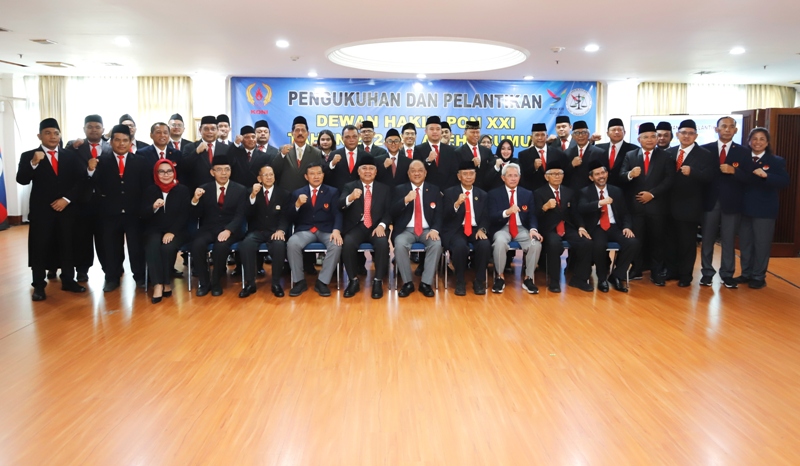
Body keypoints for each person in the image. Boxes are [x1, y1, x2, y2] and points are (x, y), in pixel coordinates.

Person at [16, 118, 87, 301]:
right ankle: (39, 286)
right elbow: (22, 179)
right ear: (39, 136)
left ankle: (68, 280)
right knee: (39, 247)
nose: (53, 137)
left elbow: (81, 180)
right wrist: (33, 163)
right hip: (42, 212)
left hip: (66, 210)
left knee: (67, 245)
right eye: (47, 133)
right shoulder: (29, 155)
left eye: (56, 133)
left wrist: (66, 199)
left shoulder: (70, 156)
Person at [89, 124, 151, 292]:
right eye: (117, 140)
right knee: (111, 247)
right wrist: (90, 170)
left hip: (134, 213)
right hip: (109, 213)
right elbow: (93, 185)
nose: (121, 143)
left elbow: (147, 188)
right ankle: (112, 278)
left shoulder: (140, 161)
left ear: (130, 142)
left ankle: (139, 277)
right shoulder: (101, 161)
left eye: (125, 140)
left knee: (136, 247)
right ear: (111, 142)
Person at [619, 122, 674, 286]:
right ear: (639, 139)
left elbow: (669, 179)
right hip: (636, 207)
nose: (650, 140)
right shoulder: (630, 155)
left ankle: (656, 272)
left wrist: (652, 194)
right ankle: (636, 269)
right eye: (646, 137)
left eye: (652, 136)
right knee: (637, 240)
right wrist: (630, 174)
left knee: (657, 241)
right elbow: (621, 176)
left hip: (657, 207)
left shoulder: (666, 156)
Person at [699, 116, 749, 288]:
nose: (727, 129)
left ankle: (727, 274)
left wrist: (734, 171)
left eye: (731, 126)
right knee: (707, 239)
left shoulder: (743, 152)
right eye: (723, 126)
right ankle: (706, 273)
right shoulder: (705, 150)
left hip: (732, 202)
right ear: (716, 129)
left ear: (735, 130)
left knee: (728, 240)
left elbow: (749, 178)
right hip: (710, 201)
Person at [736, 127, 789, 289]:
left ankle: (758, 276)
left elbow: (784, 181)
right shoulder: (742, 158)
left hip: (764, 210)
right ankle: (746, 273)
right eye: (754, 139)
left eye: (761, 139)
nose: (757, 142)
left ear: (767, 143)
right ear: (749, 141)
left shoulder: (775, 161)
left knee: (761, 244)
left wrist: (767, 175)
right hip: (743, 208)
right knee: (745, 243)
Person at [664, 119, 714, 287]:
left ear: (696, 136)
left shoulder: (705, 154)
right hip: (669, 206)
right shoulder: (669, 152)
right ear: (677, 134)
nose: (686, 136)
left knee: (687, 243)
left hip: (690, 207)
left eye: (690, 133)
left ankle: (685, 275)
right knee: (670, 241)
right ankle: (671, 271)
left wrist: (693, 172)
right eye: (683, 133)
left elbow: (710, 177)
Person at [190, 155, 247, 297]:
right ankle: (204, 283)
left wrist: (228, 230)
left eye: (227, 169)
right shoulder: (204, 189)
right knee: (197, 245)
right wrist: (195, 200)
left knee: (221, 246)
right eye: (219, 170)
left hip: (231, 229)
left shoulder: (240, 189)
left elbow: (240, 215)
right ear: (212, 172)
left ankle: (216, 282)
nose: (223, 173)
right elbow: (196, 214)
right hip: (209, 228)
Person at [578, 162, 639, 293]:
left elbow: (625, 213)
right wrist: (600, 203)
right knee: (598, 245)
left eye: (603, 173)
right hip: (597, 227)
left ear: (607, 174)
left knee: (632, 242)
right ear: (591, 177)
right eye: (597, 174)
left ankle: (617, 275)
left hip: (615, 226)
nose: (601, 176)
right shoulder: (585, 192)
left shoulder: (616, 191)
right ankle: (602, 279)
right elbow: (582, 208)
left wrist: (627, 227)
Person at [533, 160, 593, 292]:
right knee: (554, 244)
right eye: (553, 174)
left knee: (586, 243)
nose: (557, 176)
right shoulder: (539, 193)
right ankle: (554, 281)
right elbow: (535, 215)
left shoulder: (569, 192)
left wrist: (581, 226)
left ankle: (579, 279)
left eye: (560, 173)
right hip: (549, 228)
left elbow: (575, 212)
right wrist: (545, 207)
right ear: (546, 177)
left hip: (567, 227)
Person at [285, 164, 343, 297]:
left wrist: (336, 230)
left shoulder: (332, 192)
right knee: (292, 243)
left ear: (323, 175)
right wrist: (297, 205)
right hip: (305, 230)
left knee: (336, 244)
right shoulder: (297, 193)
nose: (316, 176)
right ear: (306, 177)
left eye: (319, 173)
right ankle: (299, 281)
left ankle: (322, 281)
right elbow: (289, 217)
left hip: (326, 230)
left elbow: (338, 213)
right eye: (312, 174)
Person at [339, 155, 392, 299]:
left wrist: (382, 225)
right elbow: (340, 205)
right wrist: (350, 198)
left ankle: (378, 281)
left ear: (376, 171)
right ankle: (353, 280)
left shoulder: (384, 189)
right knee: (348, 243)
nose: (367, 171)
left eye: (371, 168)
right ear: (358, 171)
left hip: (376, 226)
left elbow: (389, 212)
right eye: (364, 168)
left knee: (382, 243)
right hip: (357, 227)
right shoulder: (350, 186)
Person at [67, 114, 110, 282]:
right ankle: (82, 270)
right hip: (81, 201)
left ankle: (109, 270)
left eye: (97, 127)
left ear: (103, 130)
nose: (94, 130)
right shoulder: (75, 147)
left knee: (104, 238)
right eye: (90, 127)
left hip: (104, 201)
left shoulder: (111, 147)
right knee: (81, 238)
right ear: (84, 129)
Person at [391, 160, 442, 298]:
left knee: (436, 244)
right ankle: (407, 283)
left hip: (427, 230)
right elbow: (392, 212)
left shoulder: (434, 190)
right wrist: (405, 200)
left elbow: (439, 213)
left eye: (420, 170)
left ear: (425, 173)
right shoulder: (399, 189)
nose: (417, 173)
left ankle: (426, 283)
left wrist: (435, 230)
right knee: (400, 244)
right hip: (406, 230)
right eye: (413, 171)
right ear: (408, 173)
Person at [488, 163, 542, 294]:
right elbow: (491, 216)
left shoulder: (527, 194)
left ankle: (528, 278)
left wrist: (533, 229)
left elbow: (532, 215)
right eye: (510, 175)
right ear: (503, 178)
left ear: (519, 177)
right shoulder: (494, 194)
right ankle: (499, 277)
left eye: (516, 175)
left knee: (535, 243)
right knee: (500, 242)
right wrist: (507, 212)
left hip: (521, 228)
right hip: (502, 228)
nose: (513, 178)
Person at [141, 159, 190, 304]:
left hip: (177, 230)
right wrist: (153, 207)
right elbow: (142, 214)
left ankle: (166, 282)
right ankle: (158, 284)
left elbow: (185, 215)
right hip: (154, 229)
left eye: (169, 171)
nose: (166, 175)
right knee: (152, 245)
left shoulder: (182, 190)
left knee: (168, 247)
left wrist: (172, 232)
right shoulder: (150, 190)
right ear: (156, 174)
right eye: (161, 172)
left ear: (174, 172)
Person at [238, 165, 290, 298]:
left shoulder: (283, 194)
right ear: (259, 178)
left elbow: (285, 216)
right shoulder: (250, 192)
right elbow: (246, 214)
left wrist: (281, 230)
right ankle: (250, 283)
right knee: (245, 245)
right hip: (257, 231)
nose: (269, 177)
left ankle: (276, 283)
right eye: (265, 175)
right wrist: (253, 196)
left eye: (271, 174)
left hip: (275, 231)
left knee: (279, 245)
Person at [442, 161, 491, 295]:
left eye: (471, 173)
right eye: (465, 174)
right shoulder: (449, 193)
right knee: (460, 247)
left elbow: (486, 216)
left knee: (485, 245)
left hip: (475, 229)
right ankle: (460, 280)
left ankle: (479, 281)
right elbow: (445, 216)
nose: (468, 177)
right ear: (459, 176)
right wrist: (456, 204)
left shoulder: (482, 194)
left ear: (475, 175)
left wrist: (482, 229)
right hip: (456, 229)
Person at [273, 116, 323, 193]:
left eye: (303, 130)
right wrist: (282, 154)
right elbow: (275, 170)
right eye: (297, 130)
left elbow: (319, 175)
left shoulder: (316, 152)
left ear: (308, 133)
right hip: (286, 193)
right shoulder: (283, 149)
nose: (300, 133)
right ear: (292, 133)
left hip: (307, 194)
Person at [182, 115, 229, 191]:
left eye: (213, 129)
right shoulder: (190, 147)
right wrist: (196, 152)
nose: (210, 132)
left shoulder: (226, 149)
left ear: (217, 130)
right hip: (197, 190)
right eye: (206, 129)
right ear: (200, 130)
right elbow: (184, 168)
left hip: (220, 191)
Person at [413, 116, 459, 191]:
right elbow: (417, 171)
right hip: (427, 191)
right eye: (431, 129)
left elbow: (454, 172)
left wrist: (446, 191)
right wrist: (428, 160)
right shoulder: (419, 149)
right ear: (426, 131)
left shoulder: (450, 150)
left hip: (447, 192)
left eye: (438, 129)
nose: (435, 131)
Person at [518, 123, 568, 192]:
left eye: (542, 135)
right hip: (533, 193)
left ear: (546, 136)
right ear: (531, 137)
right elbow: (523, 177)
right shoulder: (524, 155)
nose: (540, 138)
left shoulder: (558, 153)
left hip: (553, 192)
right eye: (537, 135)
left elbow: (564, 174)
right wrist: (534, 167)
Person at [594, 118, 639, 186]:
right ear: (607, 133)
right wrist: (591, 141)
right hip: (602, 188)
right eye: (613, 130)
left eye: (620, 130)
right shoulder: (598, 148)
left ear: (624, 132)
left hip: (625, 189)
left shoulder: (634, 149)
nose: (617, 132)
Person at [564, 120, 604, 192]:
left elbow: (603, 175)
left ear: (588, 135)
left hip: (592, 191)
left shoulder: (599, 152)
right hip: (572, 191)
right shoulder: (567, 153)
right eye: (577, 133)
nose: (580, 136)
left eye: (583, 132)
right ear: (573, 136)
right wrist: (571, 165)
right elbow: (563, 174)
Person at [325, 125, 367, 190]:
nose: (351, 140)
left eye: (354, 137)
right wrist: (332, 164)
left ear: (359, 137)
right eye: (347, 137)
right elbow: (326, 176)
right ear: (342, 138)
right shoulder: (334, 154)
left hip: (359, 193)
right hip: (339, 193)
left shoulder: (366, 155)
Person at [456, 120, 493, 187]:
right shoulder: (458, 152)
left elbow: (490, 170)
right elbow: (456, 172)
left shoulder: (486, 151)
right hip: (467, 188)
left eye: (477, 132)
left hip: (484, 189)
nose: (475, 135)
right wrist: (471, 164)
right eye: (472, 132)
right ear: (465, 133)